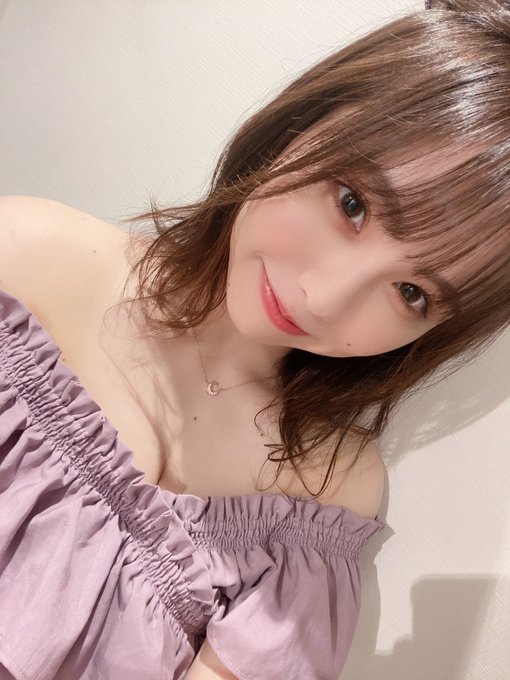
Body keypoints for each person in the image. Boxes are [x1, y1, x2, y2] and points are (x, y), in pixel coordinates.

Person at [0, 0, 509, 678]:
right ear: (302, 123)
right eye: (353, 204)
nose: (323, 298)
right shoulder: (25, 260)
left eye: (412, 292)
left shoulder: (321, 494)